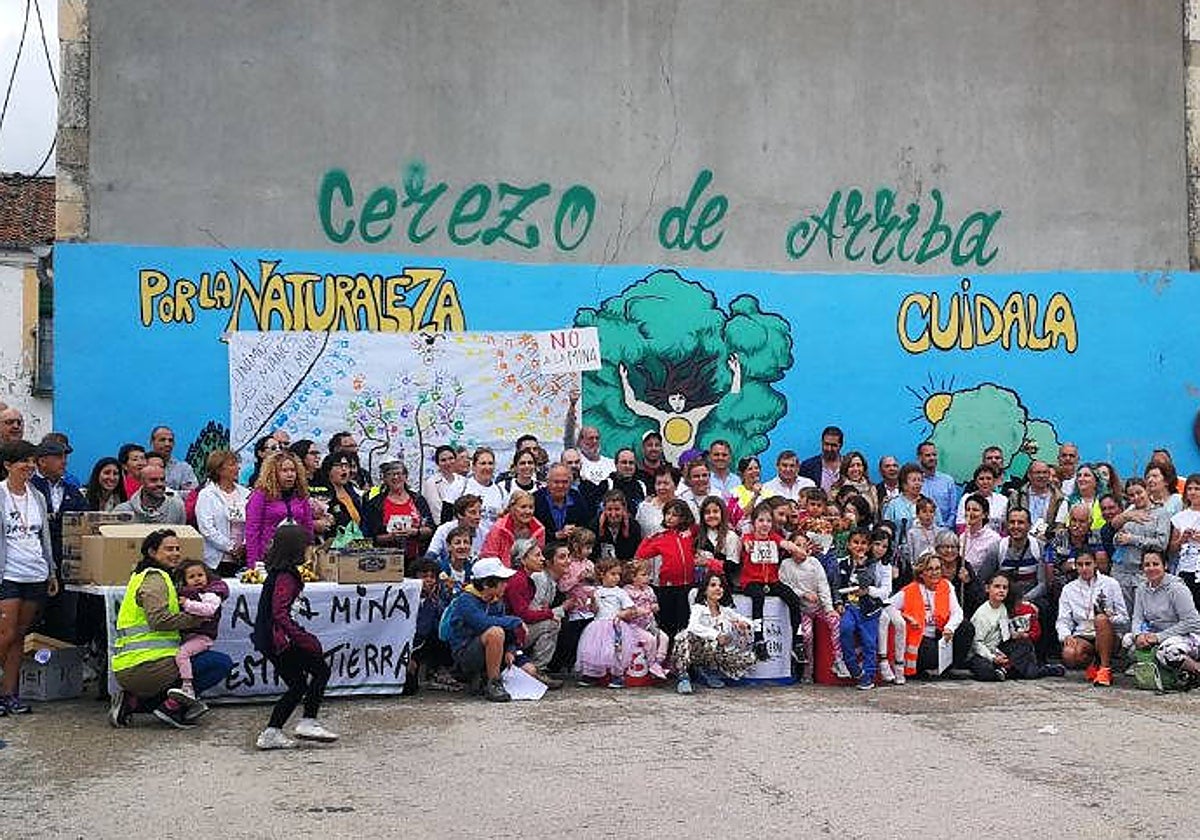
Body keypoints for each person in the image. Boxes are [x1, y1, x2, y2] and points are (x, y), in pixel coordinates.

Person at [109, 529, 234, 728]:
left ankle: (132, 702)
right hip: (148, 666)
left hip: (130, 663)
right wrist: (195, 620)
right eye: (168, 549)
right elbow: (159, 620)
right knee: (219, 663)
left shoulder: (142, 575)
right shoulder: (155, 579)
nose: (175, 553)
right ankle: (171, 707)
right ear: (152, 552)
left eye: (177, 548)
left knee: (191, 659)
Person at [250, 524, 338, 748]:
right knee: (320, 671)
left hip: (270, 638)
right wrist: (303, 638)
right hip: (279, 639)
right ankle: (308, 721)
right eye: (308, 546)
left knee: (298, 685)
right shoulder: (286, 577)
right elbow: (279, 613)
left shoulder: (278, 572)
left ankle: (272, 732)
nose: (311, 550)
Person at [0, 440, 59, 714]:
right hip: (8, 574)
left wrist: (51, 571)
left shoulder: (37, 496)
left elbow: (43, 537)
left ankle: (9, 694)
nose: (29, 466)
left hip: (35, 572)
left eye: (32, 461)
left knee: (19, 637)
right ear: (7, 465)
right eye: (23, 461)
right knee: (5, 633)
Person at [439, 556, 529, 702]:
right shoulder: (465, 600)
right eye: (502, 581)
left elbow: (508, 631)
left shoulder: (496, 601)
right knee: (495, 633)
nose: (506, 585)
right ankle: (494, 683)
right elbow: (483, 623)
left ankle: (483, 677)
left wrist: (510, 649)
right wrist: (515, 620)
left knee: (529, 670)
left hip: (492, 651)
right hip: (466, 654)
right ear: (487, 584)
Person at [738, 502, 806, 664]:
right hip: (752, 582)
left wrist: (797, 549)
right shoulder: (749, 538)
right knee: (758, 597)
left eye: (768, 521)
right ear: (754, 523)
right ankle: (758, 639)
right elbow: (746, 543)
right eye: (761, 520)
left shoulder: (774, 538)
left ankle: (797, 641)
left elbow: (786, 544)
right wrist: (748, 546)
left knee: (793, 598)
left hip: (772, 581)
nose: (765, 524)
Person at [575, 558, 659, 688]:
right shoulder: (596, 592)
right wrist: (593, 600)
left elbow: (630, 609)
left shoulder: (620, 592)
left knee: (616, 651)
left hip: (616, 625)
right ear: (602, 574)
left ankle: (617, 676)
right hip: (598, 626)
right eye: (613, 574)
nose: (617, 578)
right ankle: (592, 675)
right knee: (594, 650)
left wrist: (622, 614)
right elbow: (593, 610)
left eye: (618, 574)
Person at [1123, 550, 1200, 689]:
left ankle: (1196, 669)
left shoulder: (1177, 588)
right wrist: (1138, 635)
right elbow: (1137, 617)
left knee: (1168, 653)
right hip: (1155, 634)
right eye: (1147, 565)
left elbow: (1192, 622)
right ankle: (1164, 671)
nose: (1151, 568)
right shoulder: (1141, 588)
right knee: (1128, 641)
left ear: (1165, 565)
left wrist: (1159, 637)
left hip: (1185, 636)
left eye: (1155, 564)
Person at [672, 572, 757, 693]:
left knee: (749, 659)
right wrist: (716, 635)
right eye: (713, 585)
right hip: (697, 649)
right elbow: (693, 626)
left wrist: (743, 624)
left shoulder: (726, 611)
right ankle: (683, 677)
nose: (718, 588)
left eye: (720, 586)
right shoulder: (699, 608)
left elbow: (747, 621)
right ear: (705, 590)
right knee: (685, 636)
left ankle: (707, 671)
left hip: (715, 652)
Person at [968, 573, 1064, 681]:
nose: (1001, 590)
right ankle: (1013, 669)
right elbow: (976, 644)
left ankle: (1007, 669)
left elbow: (1004, 634)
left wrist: (1015, 635)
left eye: (1005, 588)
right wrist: (993, 658)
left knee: (1024, 644)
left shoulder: (1003, 607)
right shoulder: (982, 614)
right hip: (983, 654)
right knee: (985, 671)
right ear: (987, 588)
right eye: (997, 586)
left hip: (999, 649)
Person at [892, 550, 969, 679]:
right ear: (921, 573)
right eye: (930, 569)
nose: (935, 573)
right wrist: (905, 617)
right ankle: (919, 669)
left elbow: (957, 612)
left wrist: (950, 628)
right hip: (920, 637)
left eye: (937, 568)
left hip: (941, 633)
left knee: (966, 628)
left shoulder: (947, 586)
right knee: (931, 654)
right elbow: (887, 606)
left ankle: (951, 668)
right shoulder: (910, 590)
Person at [1056, 551, 1127, 687]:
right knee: (1069, 653)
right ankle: (1093, 664)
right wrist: (1065, 635)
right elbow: (1063, 619)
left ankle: (1105, 669)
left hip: (1107, 634)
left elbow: (1124, 618)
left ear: (1095, 564)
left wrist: (1110, 617)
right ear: (1075, 566)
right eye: (1080, 565)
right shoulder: (1069, 589)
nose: (1084, 568)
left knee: (1100, 619)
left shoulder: (1111, 584)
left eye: (1088, 564)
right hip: (1083, 634)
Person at [502, 538, 565, 686]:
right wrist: (550, 614)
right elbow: (523, 614)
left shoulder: (526, 579)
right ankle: (539, 669)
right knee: (552, 624)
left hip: (516, 629)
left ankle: (534, 668)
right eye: (537, 555)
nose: (542, 559)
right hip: (510, 633)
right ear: (523, 559)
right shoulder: (518, 580)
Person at [634, 499, 698, 645]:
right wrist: (649, 538)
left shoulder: (690, 534)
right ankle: (665, 652)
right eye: (667, 513)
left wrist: (690, 530)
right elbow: (641, 554)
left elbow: (700, 528)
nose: (669, 517)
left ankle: (682, 653)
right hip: (667, 587)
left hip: (687, 586)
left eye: (674, 515)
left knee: (684, 622)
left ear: (683, 517)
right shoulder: (661, 537)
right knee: (667, 623)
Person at [835, 527, 886, 689]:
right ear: (849, 545)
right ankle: (853, 668)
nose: (859, 546)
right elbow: (836, 585)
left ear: (869, 546)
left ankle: (868, 677)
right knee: (845, 629)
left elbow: (866, 582)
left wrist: (861, 565)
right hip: (849, 606)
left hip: (868, 609)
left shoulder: (872, 564)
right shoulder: (842, 563)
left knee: (869, 642)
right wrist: (839, 603)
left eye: (863, 543)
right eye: (855, 542)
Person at [244, 451, 315, 569]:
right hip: (269, 557)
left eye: (293, 470)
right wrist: (253, 564)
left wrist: (310, 555)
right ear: (273, 473)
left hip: (298, 557)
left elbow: (308, 527)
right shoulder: (260, 495)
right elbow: (252, 530)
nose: (290, 474)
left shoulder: (301, 495)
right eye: (284, 471)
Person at [360, 460, 435, 571]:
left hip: (416, 560)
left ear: (406, 477)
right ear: (384, 479)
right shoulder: (375, 504)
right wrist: (391, 537)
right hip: (384, 561)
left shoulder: (418, 500)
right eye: (390, 474)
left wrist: (415, 532)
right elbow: (368, 537)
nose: (395, 477)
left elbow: (430, 528)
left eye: (399, 474)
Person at [172, 559, 229, 703]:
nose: (197, 579)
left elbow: (209, 610)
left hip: (203, 638)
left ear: (207, 576)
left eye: (200, 575)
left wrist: (187, 604)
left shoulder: (211, 594)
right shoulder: (189, 593)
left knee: (182, 655)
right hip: (190, 636)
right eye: (191, 577)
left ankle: (187, 686)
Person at [1108, 478, 1171, 607]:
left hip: (1144, 573)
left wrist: (1133, 539)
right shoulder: (1128, 512)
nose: (1136, 497)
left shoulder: (1161, 513)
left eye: (1139, 492)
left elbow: (1161, 544)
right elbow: (1115, 534)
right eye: (1131, 495)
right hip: (1121, 572)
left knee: (1146, 613)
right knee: (1122, 614)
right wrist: (1118, 538)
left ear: (1147, 490)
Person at [194, 450, 250, 574]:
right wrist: (230, 547)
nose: (238, 468)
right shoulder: (207, 495)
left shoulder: (246, 493)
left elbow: (253, 522)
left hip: (243, 558)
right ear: (219, 470)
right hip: (217, 561)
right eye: (232, 464)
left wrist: (245, 546)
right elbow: (206, 528)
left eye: (237, 464)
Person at [623, 558, 670, 678]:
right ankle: (651, 663)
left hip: (649, 624)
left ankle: (658, 663)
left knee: (664, 638)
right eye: (643, 575)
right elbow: (626, 610)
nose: (647, 578)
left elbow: (654, 603)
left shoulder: (649, 590)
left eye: (648, 575)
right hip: (634, 626)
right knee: (650, 640)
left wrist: (655, 607)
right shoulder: (627, 591)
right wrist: (638, 611)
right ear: (632, 577)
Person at [480, 489, 546, 565]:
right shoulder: (498, 529)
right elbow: (488, 559)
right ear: (512, 508)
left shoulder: (539, 530)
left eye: (531, 507)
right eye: (523, 507)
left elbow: (538, 559)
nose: (528, 511)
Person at [1008, 459, 1067, 540]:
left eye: (1045, 473)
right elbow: (1010, 521)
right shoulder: (1017, 496)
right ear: (1029, 475)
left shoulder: (1060, 499)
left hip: (1048, 542)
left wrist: (1047, 537)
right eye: (1037, 473)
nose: (1041, 476)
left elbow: (1059, 527)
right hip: (1021, 541)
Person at [115, 462, 186, 525]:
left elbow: (182, 534)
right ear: (141, 482)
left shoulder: (176, 506)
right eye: (153, 480)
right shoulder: (123, 510)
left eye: (162, 479)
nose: (160, 484)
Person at [424, 494, 486, 565]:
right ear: (460, 514)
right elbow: (430, 555)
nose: (478, 517)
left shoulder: (485, 533)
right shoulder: (444, 530)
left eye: (480, 512)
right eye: (472, 512)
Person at [1168, 473, 1200, 607]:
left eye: (1197, 488)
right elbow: (1172, 548)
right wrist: (1182, 539)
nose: (1193, 492)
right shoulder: (1179, 517)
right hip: (1186, 569)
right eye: (1190, 489)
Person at [697, 495, 741, 586]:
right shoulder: (697, 536)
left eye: (715, 511)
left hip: (722, 585)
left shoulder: (730, 536)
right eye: (707, 512)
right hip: (701, 584)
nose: (711, 515)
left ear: (722, 513)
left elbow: (733, 567)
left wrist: (708, 562)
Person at [593, 447, 649, 515]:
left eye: (631, 463)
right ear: (616, 464)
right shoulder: (607, 484)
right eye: (624, 462)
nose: (627, 466)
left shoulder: (641, 485)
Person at [593, 490, 643, 562]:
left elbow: (636, 554)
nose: (613, 514)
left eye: (617, 509)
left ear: (624, 509)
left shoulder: (634, 527)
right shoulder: (594, 526)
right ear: (604, 509)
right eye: (609, 509)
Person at [955, 465, 1008, 533]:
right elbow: (960, 526)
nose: (985, 482)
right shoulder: (966, 498)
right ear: (976, 482)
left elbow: (1005, 527)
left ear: (994, 481)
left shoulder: (1003, 500)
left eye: (988, 478)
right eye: (981, 479)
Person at [917, 442, 958, 528]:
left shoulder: (948, 481)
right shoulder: (915, 483)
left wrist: (945, 528)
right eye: (928, 455)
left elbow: (953, 511)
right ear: (919, 458)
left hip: (945, 531)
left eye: (934, 455)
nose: (932, 458)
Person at [828, 450, 878, 521]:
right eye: (852, 466)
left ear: (863, 468)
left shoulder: (872, 488)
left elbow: (875, 514)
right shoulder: (836, 489)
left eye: (859, 465)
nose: (856, 469)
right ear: (845, 469)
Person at [958, 493, 1001, 574]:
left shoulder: (994, 539)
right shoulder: (962, 537)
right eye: (968, 509)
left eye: (975, 510)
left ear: (985, 514)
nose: (970, 513)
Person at [149, 426, 199, 493]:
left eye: (170, 440)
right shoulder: (143, 466)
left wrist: (169, 494)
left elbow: (192, 494)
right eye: (162, 440)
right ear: (152, 442)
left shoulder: (184, 469)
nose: (167, 444)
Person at [635, 466, 677, 538]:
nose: (661, 487)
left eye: (666, 483)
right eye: (658, 483)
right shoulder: (645, 507)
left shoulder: (684, 506)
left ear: (676, 485)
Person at [799, 426, 844, 492]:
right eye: (826, 444)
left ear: (840, 446)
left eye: (833, 445)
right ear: (822, 443)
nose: (829, 449)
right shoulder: (808, 466)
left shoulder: (849, 465)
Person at [730, 455, 764, 523]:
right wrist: (755, 496)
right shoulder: (735, 493)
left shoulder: (768, 490)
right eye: (750, 469)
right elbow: (741, 515)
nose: (754, 471)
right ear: (742, 474)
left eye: (756, 468)